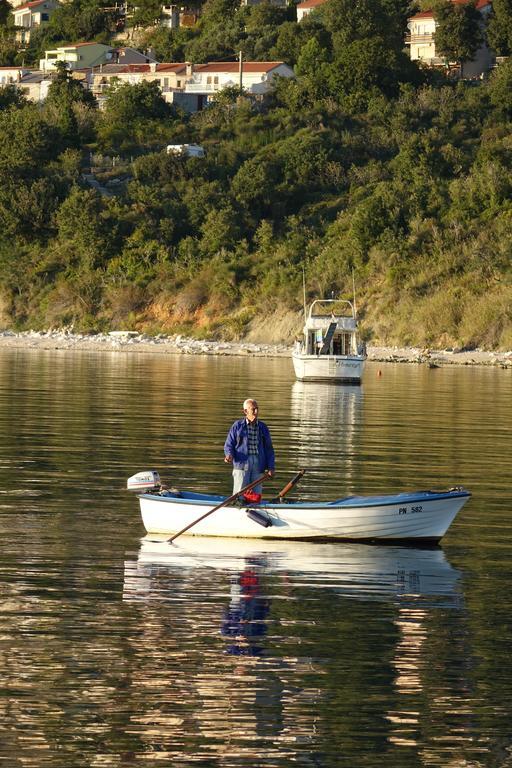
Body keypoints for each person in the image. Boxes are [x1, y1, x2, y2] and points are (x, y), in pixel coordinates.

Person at [224, 398, 275, 495]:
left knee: (256, 495)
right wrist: (229, 455)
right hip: (242, 463)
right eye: (253, 409)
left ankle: (255, 507)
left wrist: (271, 467)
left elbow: (269, 449)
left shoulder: (263, 427)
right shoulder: (237, 426)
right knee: (239, 495)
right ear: (245, 411)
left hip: (259, 464)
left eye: (257, 408)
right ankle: (238, 506)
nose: (256, 411)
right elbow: (229, 444)